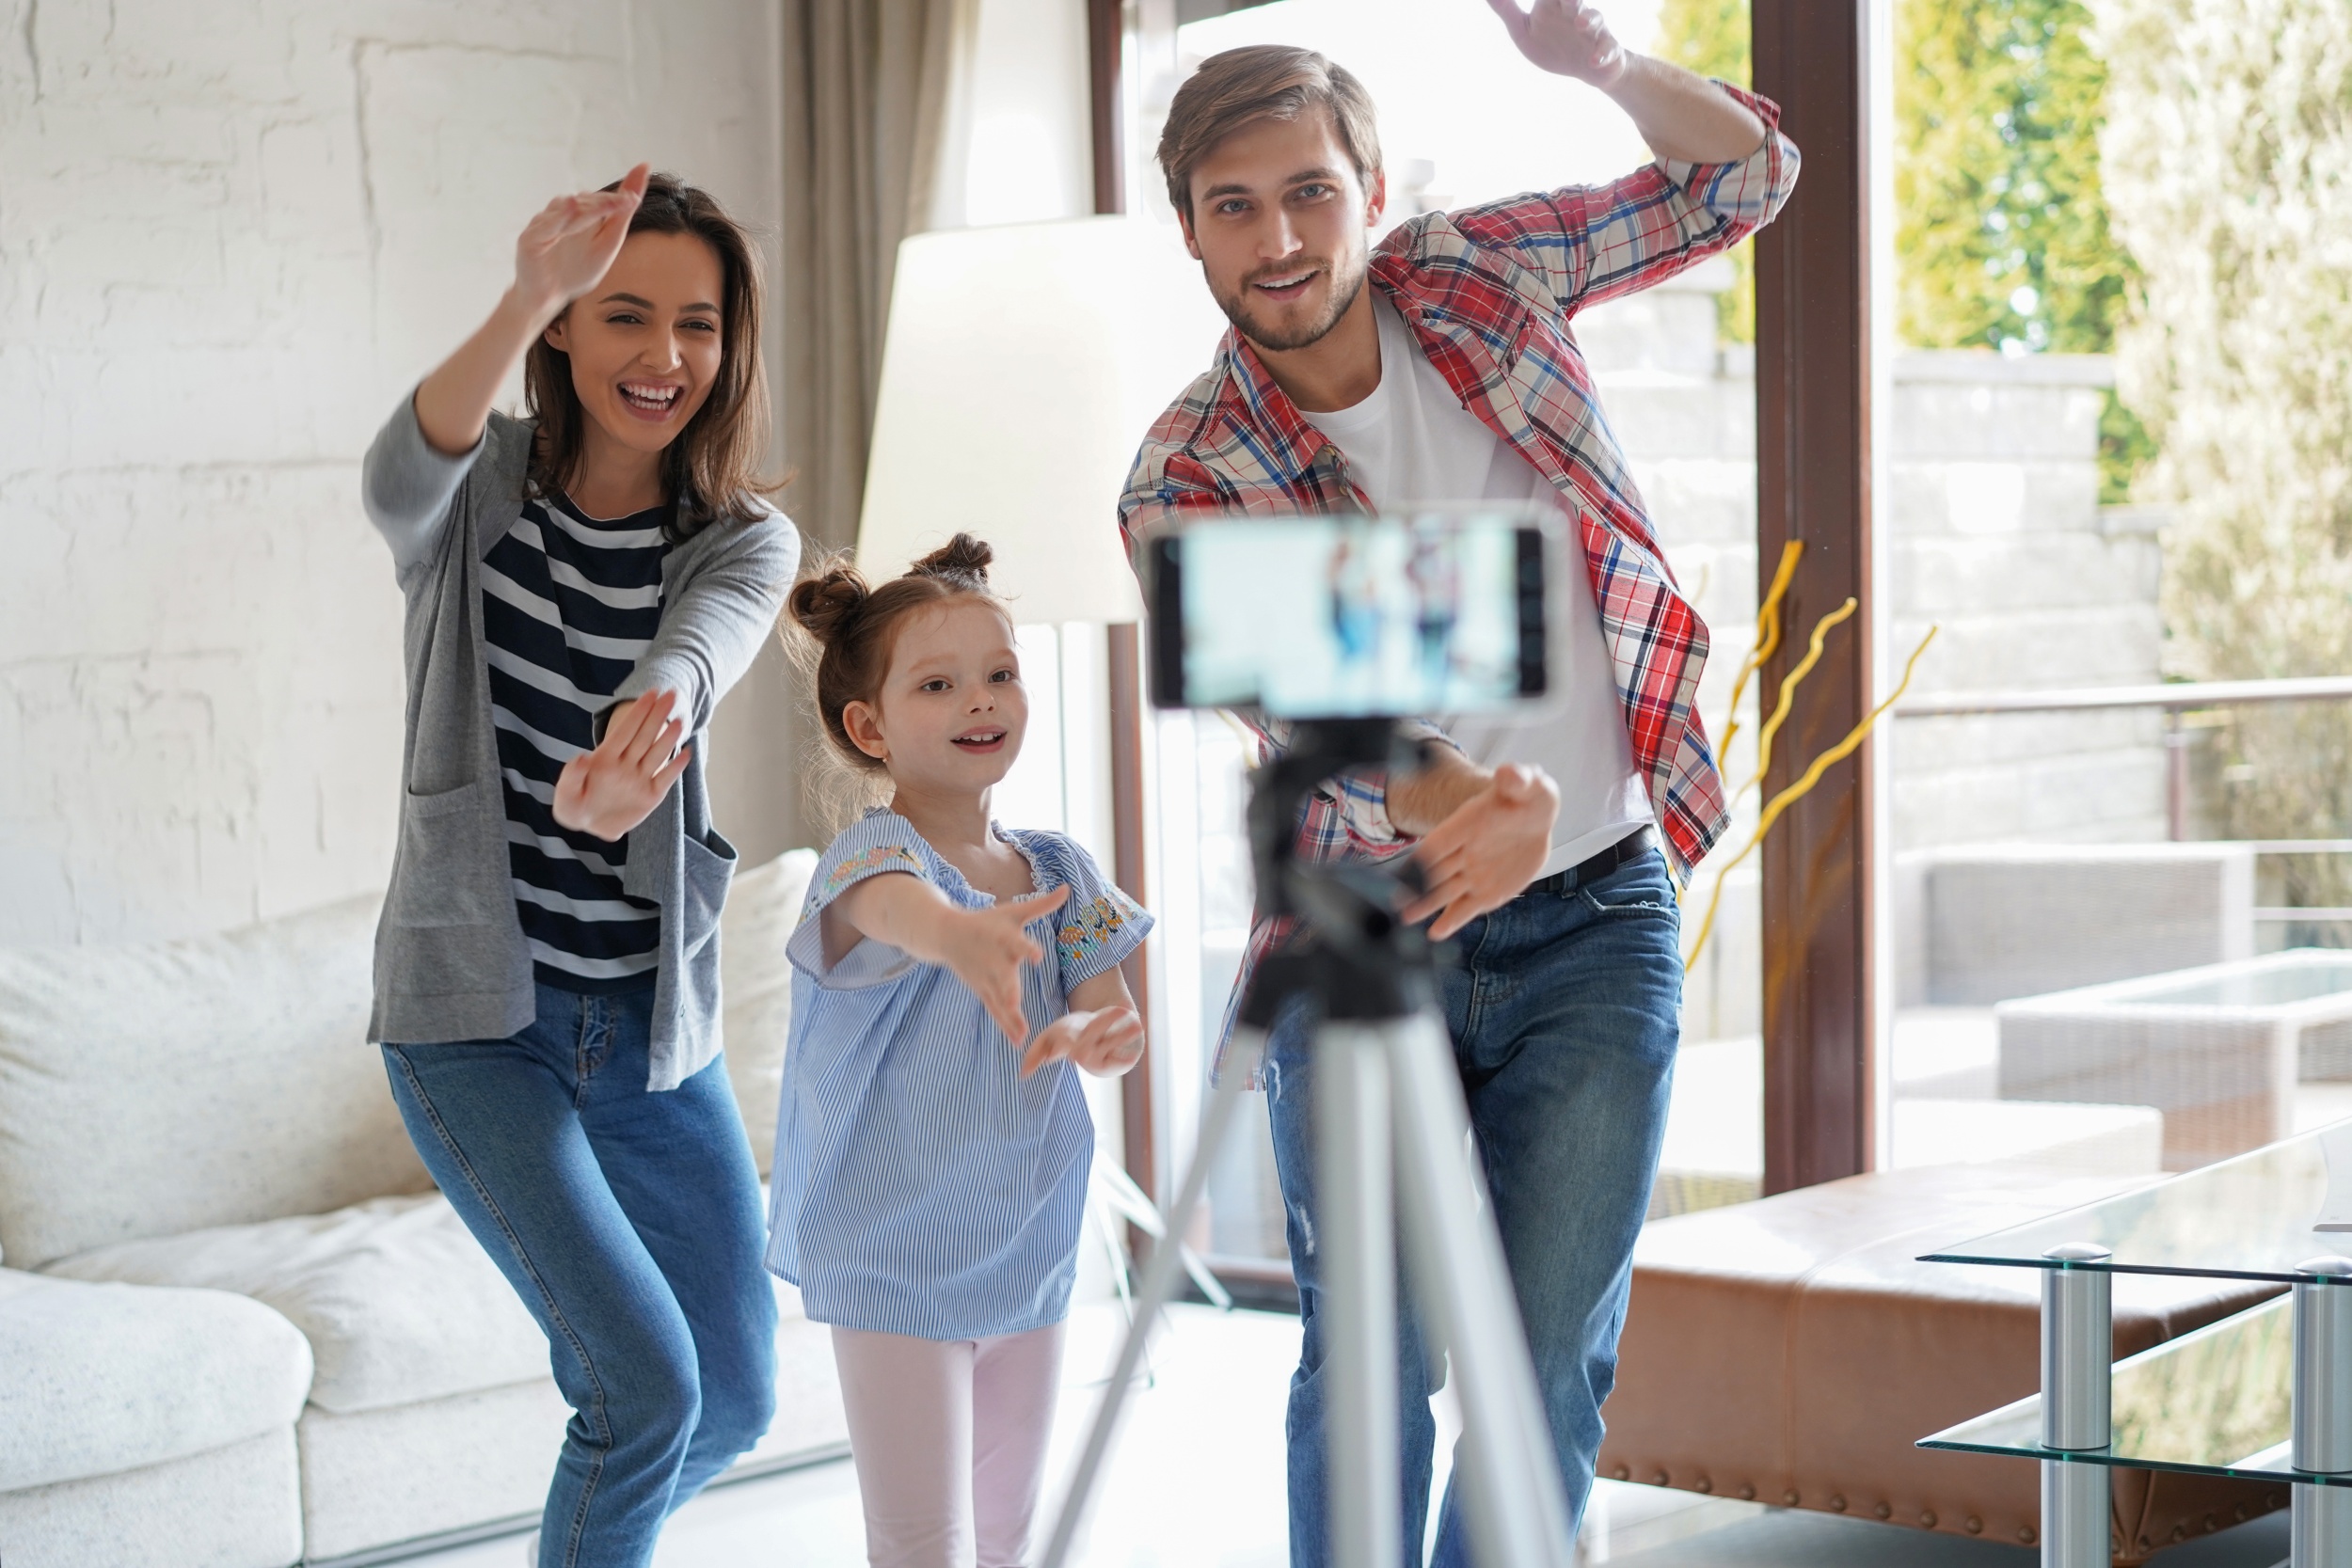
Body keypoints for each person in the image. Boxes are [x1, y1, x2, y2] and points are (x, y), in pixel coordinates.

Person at [1117, 3, 1800, 1562]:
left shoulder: (1481, 278)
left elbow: (1742, 182)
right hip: (1364, 939)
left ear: (1371, 192)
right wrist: (1476, 802)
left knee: (1543, 1371)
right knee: (1371, 1372)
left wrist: (1607, 71)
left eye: (1310, 192)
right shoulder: (1185, 470)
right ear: (1191, 234)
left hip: (1596, 916)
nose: (1279, 238)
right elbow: (1308, 708)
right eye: (1235, 206)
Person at [358, 165, 800, 1568]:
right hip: (480, 1026)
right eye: (622, 316)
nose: (664, 358)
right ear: (564, 332)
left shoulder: (742, 537)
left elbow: (707, 639)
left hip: (655, 1034)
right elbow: (393, 475)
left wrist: (646, 723)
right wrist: (525, 286)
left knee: (729, 1395)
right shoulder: (474, 497)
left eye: (700, 324)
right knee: (643, 1386)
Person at [769, 535, 1153, 1568]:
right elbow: (897, 911)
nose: (980, 700)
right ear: (870, 725)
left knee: (1008, 1530)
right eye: (937, 683)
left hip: (1025, 1239)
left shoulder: (1058, 864)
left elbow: (1106, 1013)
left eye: (999, 674)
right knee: (921, 1538)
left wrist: (1095, 1035)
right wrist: (960, 932)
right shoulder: (872, 856)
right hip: (893, 1250)